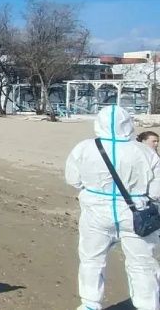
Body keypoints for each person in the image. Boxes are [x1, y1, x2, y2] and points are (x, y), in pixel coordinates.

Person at [65, 105, 160, 310]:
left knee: (91, 259)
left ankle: (90, 303)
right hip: (135, 212)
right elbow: (156, 191)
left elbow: (72, 179)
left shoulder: (85, 148)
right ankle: (147, 305)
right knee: (142, 264)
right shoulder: (145, 152)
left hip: (96, 211)